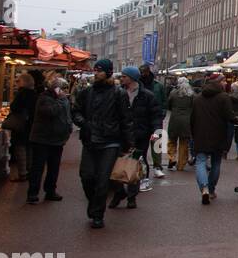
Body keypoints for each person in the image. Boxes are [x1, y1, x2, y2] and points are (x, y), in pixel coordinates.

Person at [72, 59, 131, 229]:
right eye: (95, 70)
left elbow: (126, 119)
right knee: (86, 176)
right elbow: (76, 111)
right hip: (90, 140)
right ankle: (94, 204)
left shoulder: (118, 93)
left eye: (99, 70)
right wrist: (84, 123)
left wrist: (128, 144)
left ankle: (98, 215)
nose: (96, 73)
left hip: (110, 141)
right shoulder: (86, 93)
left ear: (108, 72)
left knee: (103, 180)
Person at [112, 67, 163, 210]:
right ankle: (119, 191)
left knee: (135, 163)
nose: (121, 79)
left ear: (132, 78)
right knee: (114, 163)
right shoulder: (117, 93)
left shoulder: (147, 95)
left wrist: (155, 132)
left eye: (124, 76)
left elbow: (155, 115)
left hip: (140, 135)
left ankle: (132, 197)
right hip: (120, 134)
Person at [190, 74, 235, 205]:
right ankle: (211, 190)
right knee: (216, 163)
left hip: (201, 134)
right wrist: (236, 120)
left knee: (200, 161)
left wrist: (193, 134)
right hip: (218, 134)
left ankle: (203, 188)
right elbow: (229, 116)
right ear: (218, 83)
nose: (225, 83)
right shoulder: (224, 97)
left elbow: (192, 118)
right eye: (224, 81)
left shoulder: (197, 98)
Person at [27, 76, 72, 204]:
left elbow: (67, 115)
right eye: (62, 89)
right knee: (38, 167)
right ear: (56, 89)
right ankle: (33, 193)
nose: (65, 91)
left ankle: (50, 191)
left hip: (57, 139)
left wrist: (68, 128)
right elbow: (51, 112)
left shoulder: (63, 100)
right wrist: (61, 100)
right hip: (42, 139)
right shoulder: (44, 98)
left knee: (54, 167)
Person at [5, 71, 39, 182]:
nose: (16, 83)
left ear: (23, 82)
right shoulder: (35, 94)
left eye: (18, 81)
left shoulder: (22, 93)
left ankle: (22, 173)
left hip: (21, 125)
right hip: (31, 125)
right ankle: (30, 171)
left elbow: (15, 107)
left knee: (20, 148)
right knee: (29, 148)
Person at [138, 64, 167, 176]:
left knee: (158, 144)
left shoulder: (158, 86)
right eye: (141, 72)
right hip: (142, 119)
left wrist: (162, 113)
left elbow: (164, 101)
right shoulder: (138, 85)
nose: (142, 74)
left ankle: (157, 167)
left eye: (144, 72)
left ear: (148, 72)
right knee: (141, 146)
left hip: (156, 118)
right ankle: (141, 168)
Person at [165, 77, 195, 171]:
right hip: (186, 120)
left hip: (174, 119)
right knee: (184, 143)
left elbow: (168, 105)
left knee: (172, 140)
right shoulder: (192, 94)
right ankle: (181, 165)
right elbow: (194, 107)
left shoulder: (173, 93)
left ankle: (172, 158)